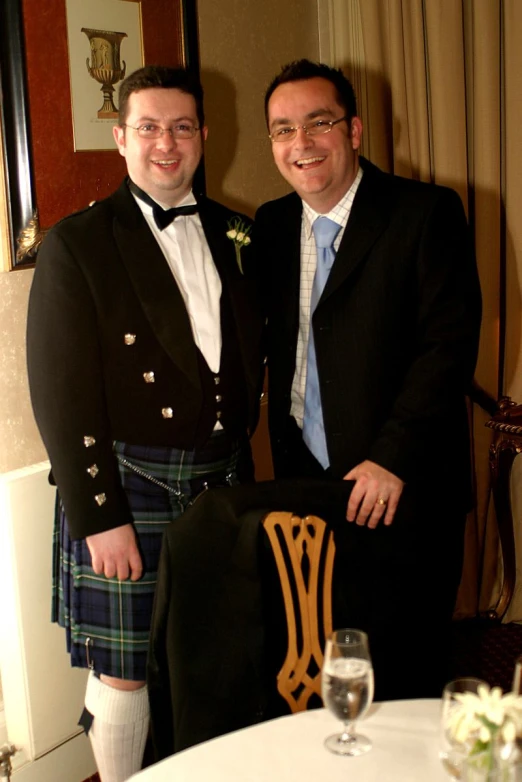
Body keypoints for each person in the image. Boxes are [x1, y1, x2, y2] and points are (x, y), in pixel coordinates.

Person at [27, 66, 262, 781]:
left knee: (212, 651)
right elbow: (60, 395)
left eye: (182, 127)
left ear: (204, 136)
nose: (167, 143)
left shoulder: (238, 233)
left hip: (220, 481)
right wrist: (102, 517)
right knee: (125, 667)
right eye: (150, 127)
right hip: (130, 485)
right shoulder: (79, 243)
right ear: (121, 137)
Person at [256, 59, 482, 700]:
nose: (300, 144)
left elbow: (448, 349)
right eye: (282, 129)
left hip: (403, 489)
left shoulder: (426, 213)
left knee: (406, 674)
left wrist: (390, 458)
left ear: (353, 130)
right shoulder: (269, 227)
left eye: (317, 122)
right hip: (304, 483)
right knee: (322, 663)